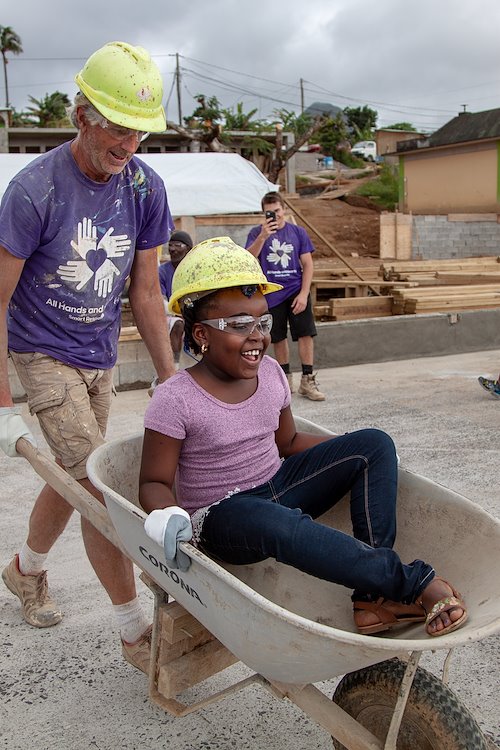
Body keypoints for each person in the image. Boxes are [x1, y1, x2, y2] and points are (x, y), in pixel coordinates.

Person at [139, 236, 468, 639]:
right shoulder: (176, 397)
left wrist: (350, 455)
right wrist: (169, 514)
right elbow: (153, 482)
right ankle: (410, 582)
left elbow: (288, 443)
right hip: (222, 516)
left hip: (277, 484)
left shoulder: (272, 375)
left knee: (374, 444)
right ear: (201, 334)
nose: (257, 335)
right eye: (240, 325)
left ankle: (372, 599)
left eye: (263, 322)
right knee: (278, 523)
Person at [0, 41, 176, 674]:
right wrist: (2, 407)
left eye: (139, 132)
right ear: (82, 117)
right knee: (98, 488)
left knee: (77, 474)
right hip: (41, 349)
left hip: (98, 353)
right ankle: (134, 632)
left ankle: (26, 570)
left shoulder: (143, 188)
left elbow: (148, 291)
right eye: (116, 127)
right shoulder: (34, 191)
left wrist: (169, 378)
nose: (128, 143)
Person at [245, 191, 325, 402]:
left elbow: (307, 264)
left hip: (296, 291)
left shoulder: (298, 232)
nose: (275, 216)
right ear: (263, 213)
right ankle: (285, 379)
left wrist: (304, 294)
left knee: (306, 333)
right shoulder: (256, 233)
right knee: (278, 337)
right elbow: (248, 259)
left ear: (284, 210)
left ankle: (308, 379)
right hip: (271, 293)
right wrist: (263, 236)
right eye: (269, 212)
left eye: (277, 211)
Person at [158, 230, 193, 365]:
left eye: (178, 245)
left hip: (190, 312)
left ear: (188, 249)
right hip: (168, 314)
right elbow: (160, 301)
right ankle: (174, 365)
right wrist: (179, 313)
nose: (172, 249)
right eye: (170, 245)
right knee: (178, 324)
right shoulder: (162, 271)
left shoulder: (194, 270)